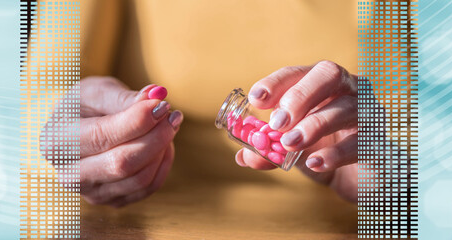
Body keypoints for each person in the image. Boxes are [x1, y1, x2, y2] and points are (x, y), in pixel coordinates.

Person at [45, 0, 359, 208]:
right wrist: (70, 129)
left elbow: (405, 136)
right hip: (146, 216)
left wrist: (399, 181)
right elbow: (43, 85)